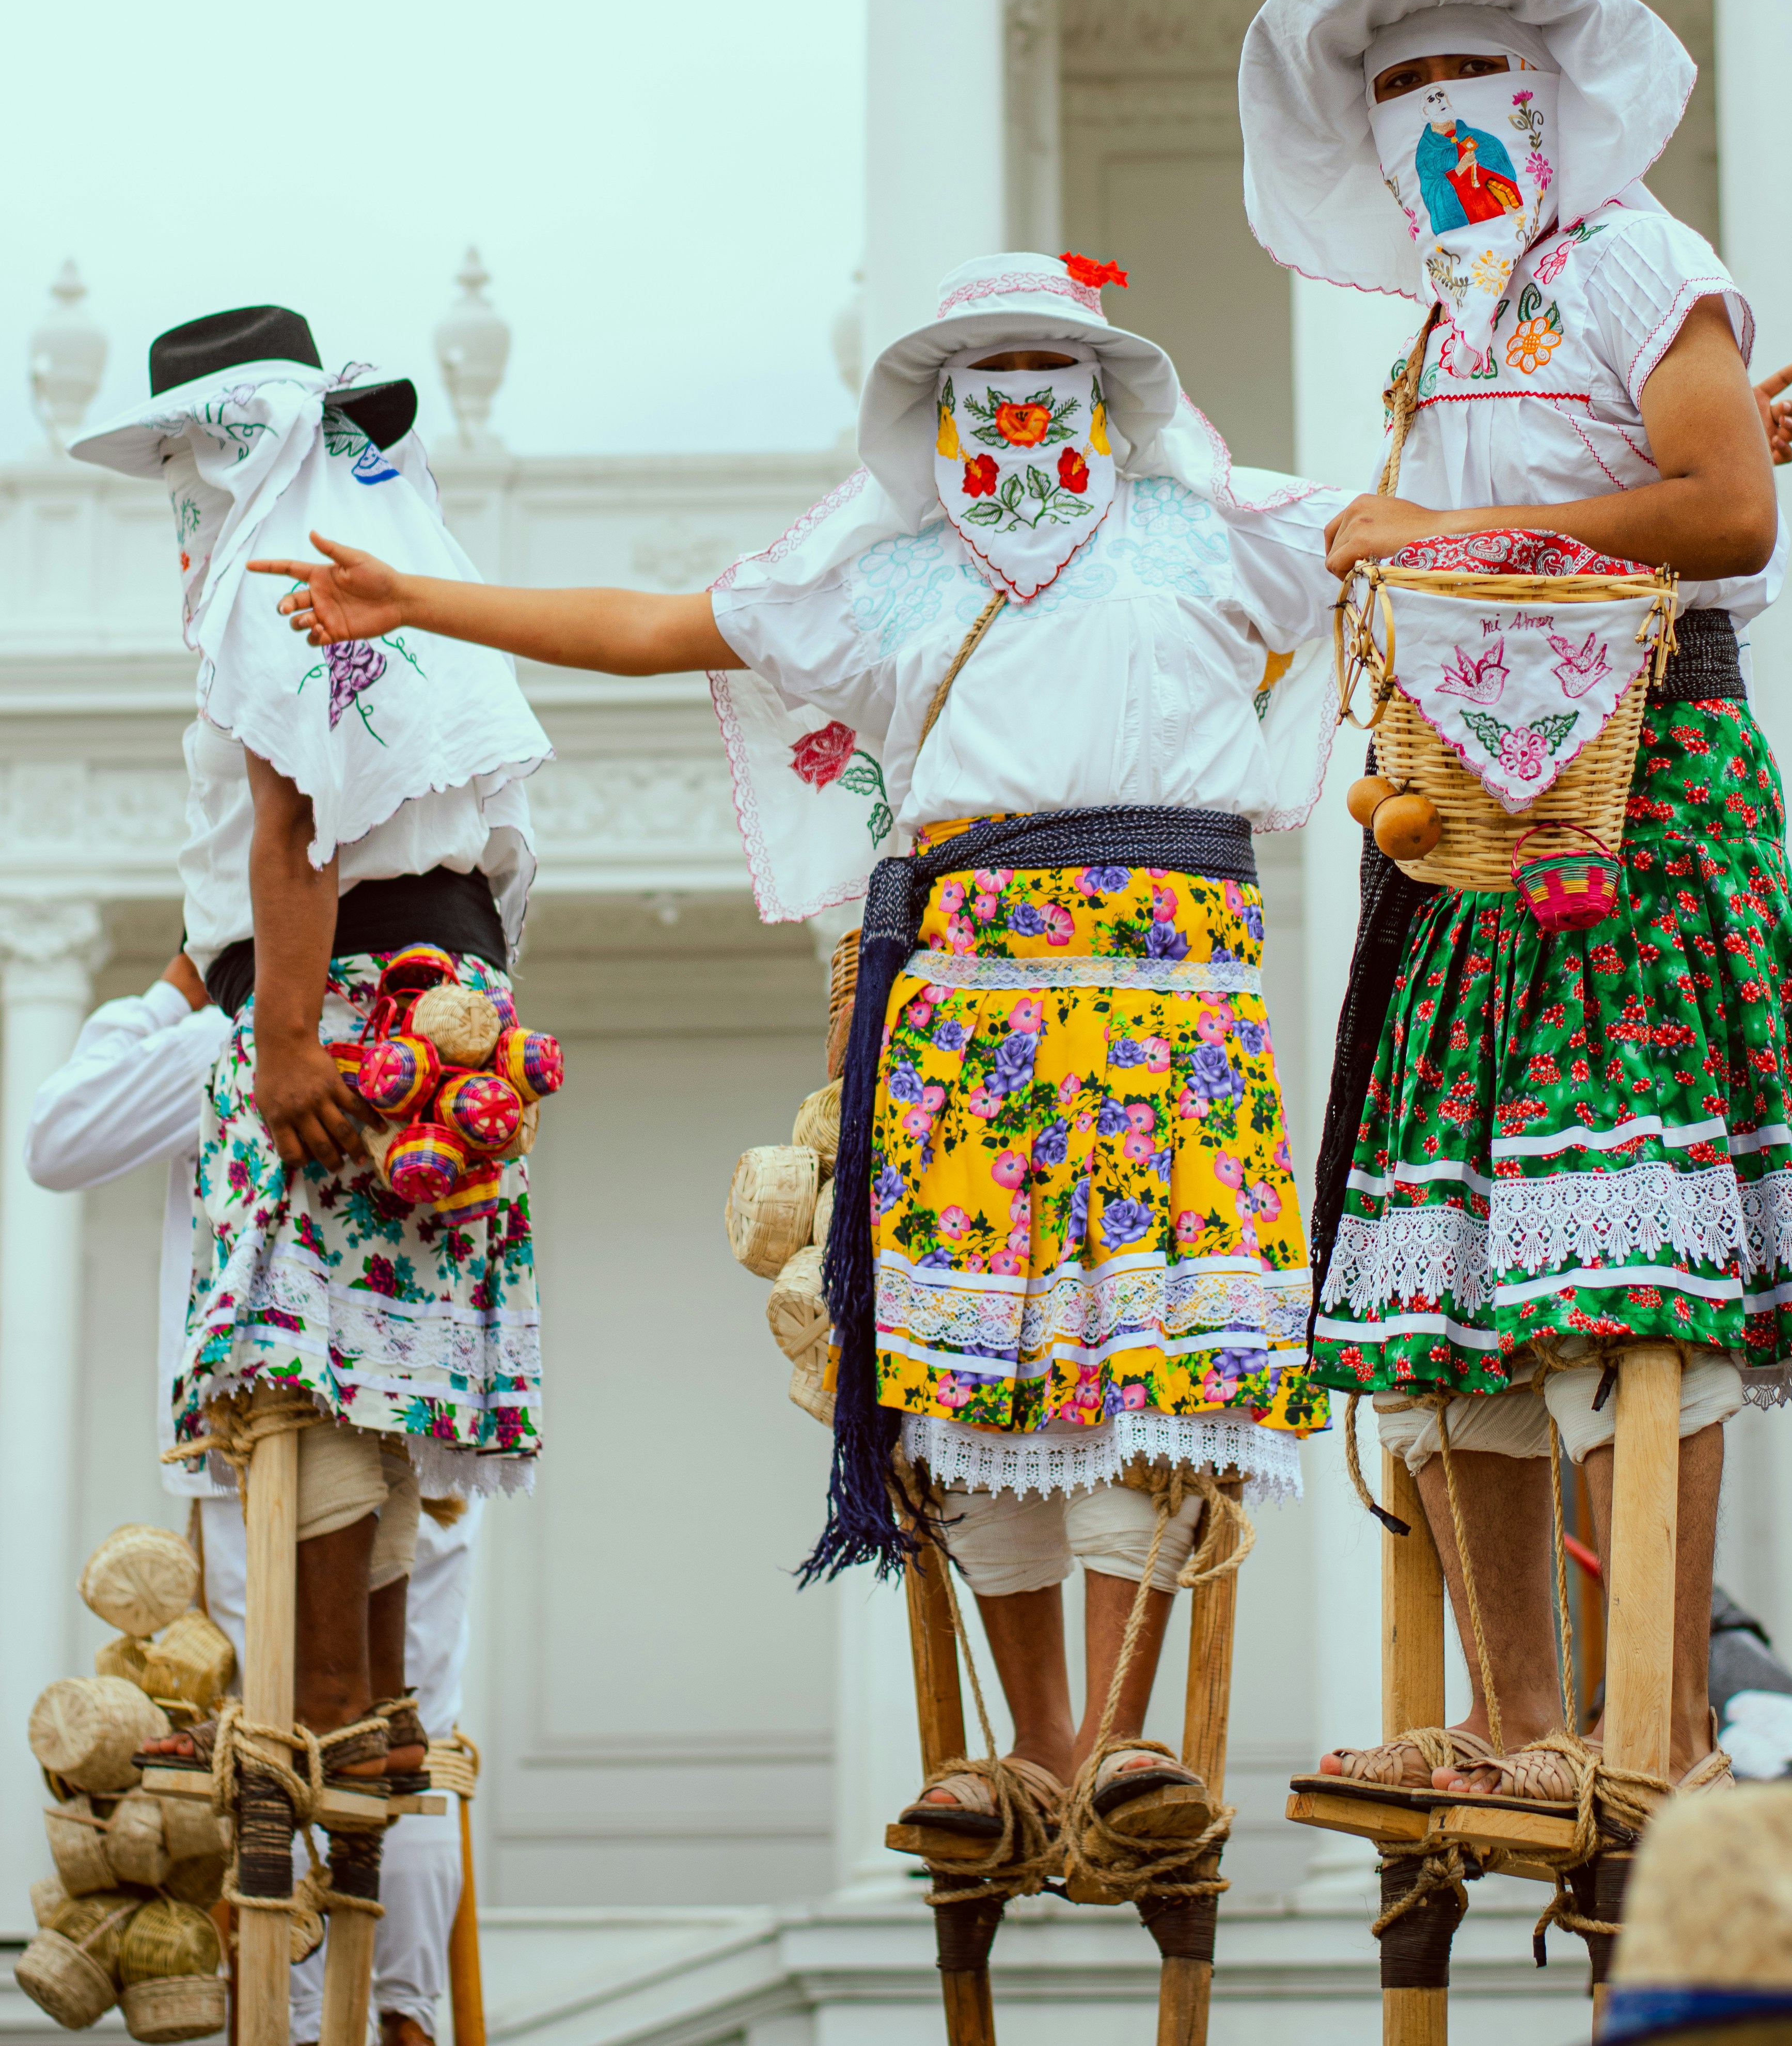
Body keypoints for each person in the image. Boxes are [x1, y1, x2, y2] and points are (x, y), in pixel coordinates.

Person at [246, 249, 1355, 1853]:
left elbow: (1406, 538)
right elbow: (646, 621)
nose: (1020, 395)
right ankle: (1036, 1744)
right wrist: (416, 596)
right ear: (939, 404)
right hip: (970, 1003)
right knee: (982, 1364)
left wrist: (1641, 484)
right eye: (984, 369)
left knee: (1153, 1356)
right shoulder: (891, 576)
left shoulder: (1220, 529)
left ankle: (1120, 1744)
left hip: (1171, 997)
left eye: (1050, 361)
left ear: (1112, 385)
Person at [1237, 0, 1792, 1803]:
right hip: (1452, 816)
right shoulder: (1439, 332)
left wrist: (1436, 544)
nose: (1438, 109)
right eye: (1400, 81)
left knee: (1631, 1259)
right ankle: (1521, 1718)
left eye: (1471, 70)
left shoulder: (1633, 254)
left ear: (1544, 89)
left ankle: (1651, 1724)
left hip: (1646, 786)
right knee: (1454, 1283)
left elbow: (1729, 507)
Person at [70, 303, 551, 1820]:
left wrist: (282, 1037)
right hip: (445, 1009)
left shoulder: (283, 566)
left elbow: (296, 821)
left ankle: (336, 1707)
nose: (184, 493)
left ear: (236, 440)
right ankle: (379, 1707)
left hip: (331, 997)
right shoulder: (403, 544)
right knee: (385, 1378)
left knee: (300, 1373)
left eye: (187, 455)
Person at [26, 947, 478, 2046]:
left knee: (295, 1749)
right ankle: (406, 2019)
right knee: (408, 1730)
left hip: (271, 1437)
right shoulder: (431, 1031)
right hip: (424, 1409)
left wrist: (180, 984)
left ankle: (334, 2019)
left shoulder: (233, 1045)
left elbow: (57, 1136)